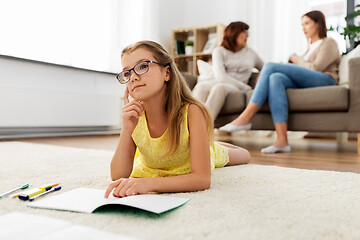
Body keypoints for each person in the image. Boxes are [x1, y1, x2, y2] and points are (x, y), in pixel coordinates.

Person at [104, 40, 250, 198]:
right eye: (127, 73)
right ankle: (203, 141)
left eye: (142, 66)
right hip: (155, 161)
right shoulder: (134, 116)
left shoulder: (192, 112)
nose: (132, 77)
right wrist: (126, 130)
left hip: (189, 160)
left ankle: (208, 145)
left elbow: (202, 179)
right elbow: (118, 175)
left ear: (166, 73)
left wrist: (146, 184)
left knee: (244, 155)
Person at [220, 10, 341, 154]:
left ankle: (245, 117)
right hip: (309, 80)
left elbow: (316, 68)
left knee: (270, 66)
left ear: (318, 23)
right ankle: (282, 140)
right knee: (274, 78)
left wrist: (297, 59)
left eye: (307, 23)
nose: (303, 28)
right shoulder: (309, 48)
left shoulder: (328, 43)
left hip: (325, 79)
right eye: (302, 24)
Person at [192, 21, 263, 120]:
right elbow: (221, 76)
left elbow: (266, 68)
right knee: (201, 86)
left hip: (236, 87)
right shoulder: (219, 51)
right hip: (219, 81)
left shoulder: (251, 54)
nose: (247, 36)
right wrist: (246, 87)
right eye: (245, 33)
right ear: (235, 33)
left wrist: (258, 79)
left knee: (219, 88)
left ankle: (204, 127)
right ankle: (189, 126)